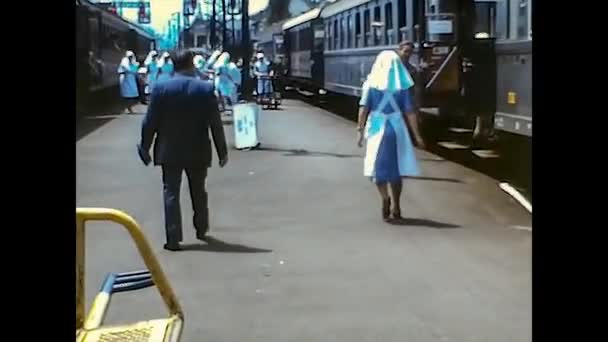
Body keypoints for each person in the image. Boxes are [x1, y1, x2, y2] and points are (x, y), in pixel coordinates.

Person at [137, 49, 229, 251]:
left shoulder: (161, 88)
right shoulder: (205, 88)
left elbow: (149, 122)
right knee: (198, 190)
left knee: (171, 192)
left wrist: (144, 147)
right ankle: (201, 228)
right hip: (198, 149)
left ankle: (173, 237)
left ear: (174, 65)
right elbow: (215, 124)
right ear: (191, 65)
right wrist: (222, 151)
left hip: (169, 150)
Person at [356, 50, 426, 222]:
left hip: (377, 129)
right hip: (397, 129)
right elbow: (410, 113)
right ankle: (396, 204)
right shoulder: (402, 88)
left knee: (376, 168)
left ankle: (384, 198)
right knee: (397, 170)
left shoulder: (371, 86)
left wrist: (359, 131)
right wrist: (417, 136)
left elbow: (363, 109)